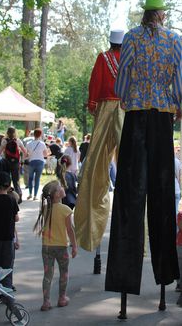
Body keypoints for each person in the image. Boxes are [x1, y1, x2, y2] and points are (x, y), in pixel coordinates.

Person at [105, 0, 182, 296]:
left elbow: (122, 77)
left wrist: (127, 96)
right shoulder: (174, 40)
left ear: (144, 15)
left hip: (136, 114)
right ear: (162, 15)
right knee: (162, 191)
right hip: (162, 116)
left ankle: (123, 277)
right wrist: (178, 102)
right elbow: (181, 79)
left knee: (129, 191)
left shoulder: (130, 37)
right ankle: (166, 271)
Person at [74, 29, 126, 251]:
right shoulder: (129, 59)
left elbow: (95, 82)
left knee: (95, 163)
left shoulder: (103, 58)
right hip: (125, 109)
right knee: (129, 161)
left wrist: (92, 104)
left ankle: (89, 230)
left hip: (105, 108)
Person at [34, 180, 78, 311]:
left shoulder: (45, 208)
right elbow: (70, 230)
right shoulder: (66, 210)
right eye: (60, 188)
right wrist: (74, 246)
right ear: (57, 194)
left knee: (48, 275)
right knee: (64, 272)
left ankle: (46, 302)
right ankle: (62, 298)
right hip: (61, 247)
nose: (63, 188)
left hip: (46, 247)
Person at [0, 126, 27, 202]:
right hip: (15, 163)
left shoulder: (4, 141)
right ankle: (19, 196)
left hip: (6, 162)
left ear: (7, 133)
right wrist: (22, 159)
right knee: (16, 180)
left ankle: (8, 196)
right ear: (15, 133)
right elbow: (25, 151)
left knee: (7, 179)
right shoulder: (18, 140)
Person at [25, 128, 48, 200]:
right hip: (40, 162)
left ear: (33, 134)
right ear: (40, 135)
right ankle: (35, 196)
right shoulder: (42, 144)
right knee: (37, 179)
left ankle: (30, 194)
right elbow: (45, 154)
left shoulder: (29, 144)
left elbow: (26, 154)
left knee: (30, 178)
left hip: (32, 162)